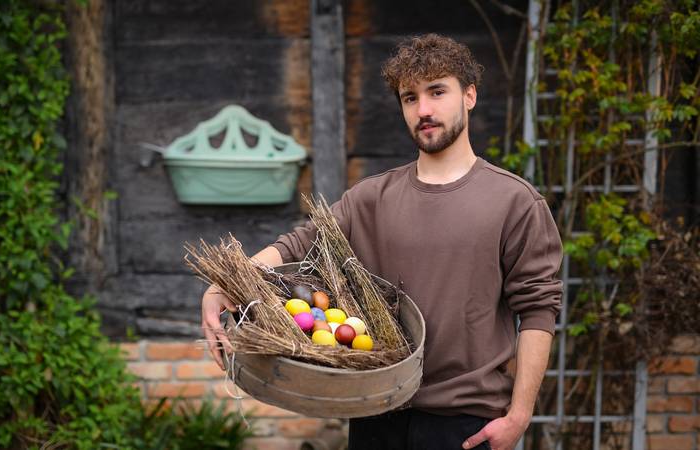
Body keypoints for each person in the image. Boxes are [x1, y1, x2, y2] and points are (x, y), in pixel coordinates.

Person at [201, 33, 563, 450]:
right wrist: (222, 283)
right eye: (410, 98)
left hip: (465, 424)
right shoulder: (370, 198)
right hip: (377, 410)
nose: (423, 110)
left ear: (470, 95)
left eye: (437, 92)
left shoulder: (514, 201)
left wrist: (519, 416)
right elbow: (297, 245)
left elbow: (538, 309)